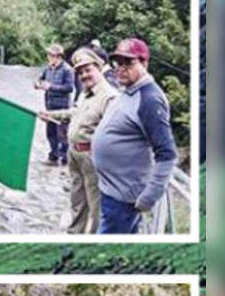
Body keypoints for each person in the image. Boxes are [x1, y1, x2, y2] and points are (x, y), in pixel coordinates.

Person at [91, 38, 179, 234]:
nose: (121, 68)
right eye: (118, 63)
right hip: (111, 192)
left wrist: (149, 196)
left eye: (129, 63)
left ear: (145, 63)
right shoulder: (128, 90)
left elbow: (167, 154)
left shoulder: (150, 99)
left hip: (124, 200)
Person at [38, 48, 119, 234]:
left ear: (99, 68)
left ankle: (95, 239)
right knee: (78, 200)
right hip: (75, 154)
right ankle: (75, 233)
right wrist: (51, 114)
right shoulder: (86, 93)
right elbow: (75, 113)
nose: (84, 75)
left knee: (96, 204)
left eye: (88, 70)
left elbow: (114, 135)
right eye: (80, 72)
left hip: (93, 157)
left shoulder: (110, 97)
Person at [35, 44, 76, 166]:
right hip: (49, 105)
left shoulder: (67, 70)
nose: (48, 57)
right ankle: (53, 156)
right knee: (50, 132)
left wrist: (51, 87)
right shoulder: (48, 68)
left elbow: (69, 88)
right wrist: (38, 84)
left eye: (50, 55)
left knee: (62, 134)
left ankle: (64, 157)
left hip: (62, 107)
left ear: (57, 57)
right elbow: (41, 79)